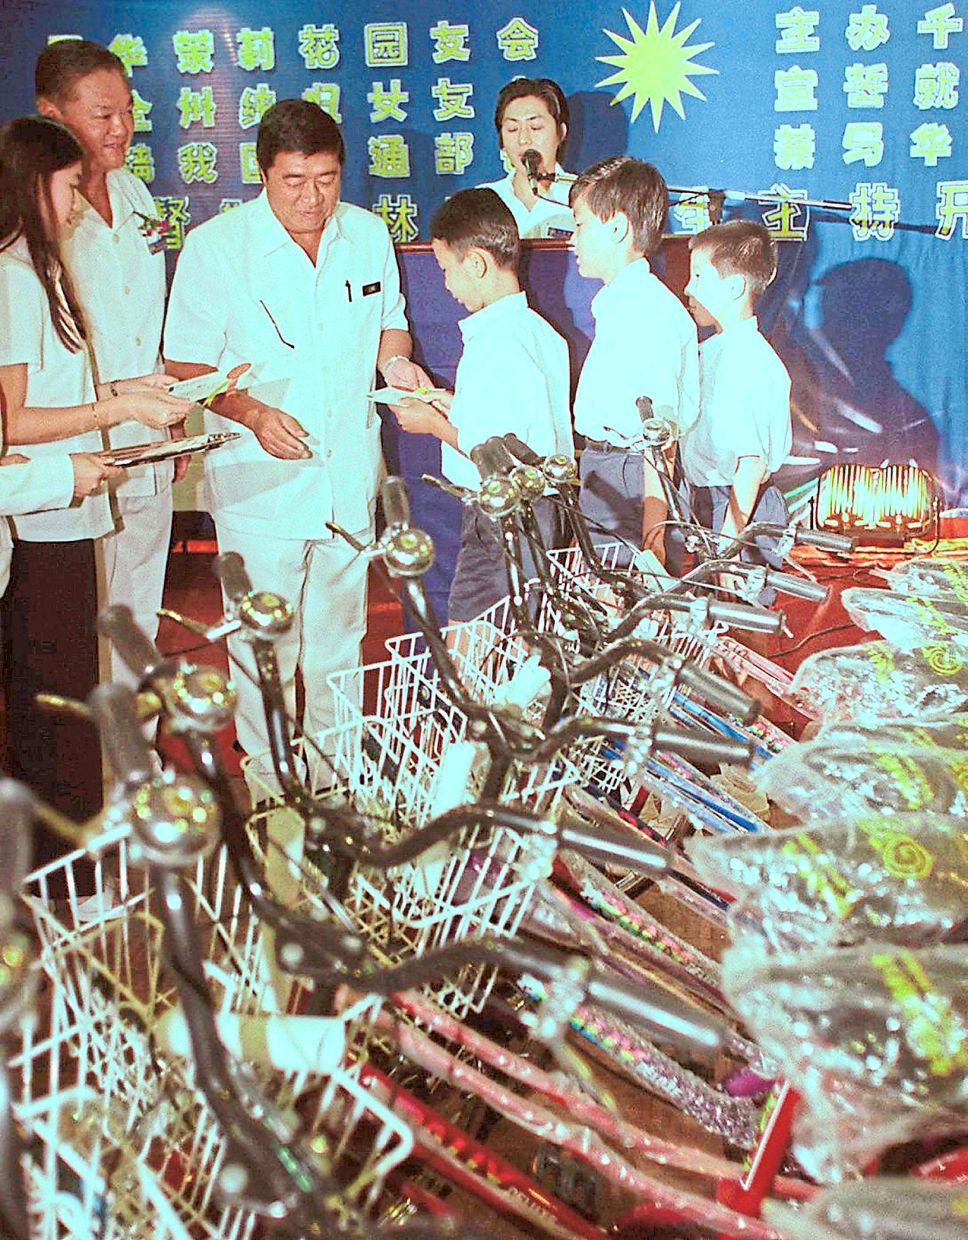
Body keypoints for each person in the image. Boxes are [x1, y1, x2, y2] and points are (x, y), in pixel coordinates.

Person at [163, 99, 429, 787]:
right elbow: (186, 365)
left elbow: (389, 325)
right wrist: (248, 411)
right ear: (262, 173)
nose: (314, 198)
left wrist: (397, 367)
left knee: (340, 641)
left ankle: (336, 779)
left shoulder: (367, 236)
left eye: (328, 178)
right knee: (265, 642)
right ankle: (271, 783)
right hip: (260, 485)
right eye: (294, 182)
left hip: (347, 475)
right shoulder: (217, 248)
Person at [0, 116, 190, 822]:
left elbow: (59, 394)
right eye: (69, 187)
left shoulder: (43, 273)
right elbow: (12, 422)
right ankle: (68, 877)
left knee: (74, 693)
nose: (79, 202)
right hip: (41, 511)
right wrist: (111, 416)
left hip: (69, 505)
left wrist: (130, 395)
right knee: (54, 706)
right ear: (31, 187)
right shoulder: (13, 279)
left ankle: (76, 856)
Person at [36, 39, 178, 691]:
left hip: (145, 439)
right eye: (101, 114)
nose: (120, 128)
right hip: (71, 447)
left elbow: (147, 320)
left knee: (137, 610)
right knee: (75, 621)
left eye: (126, 111)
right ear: (51, 114)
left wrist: (172, 422)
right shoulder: (35, 219)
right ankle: (86, 769)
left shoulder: (137, 192)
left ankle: (135, 764)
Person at [391, 188, 573, 622]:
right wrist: (452, 405)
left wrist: (431, 424)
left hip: (502, 518)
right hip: (544, 511)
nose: (446, 284)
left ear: (476, 263)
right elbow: (518, 425)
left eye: (446, 269)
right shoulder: (538, 331)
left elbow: (497, 452)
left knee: (470, 648)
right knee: (529, 638)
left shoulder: (494, 342)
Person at [569, 156, 698, 563]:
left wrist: (653, 536)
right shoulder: (623, 304)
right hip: (609, 474)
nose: (572, 239)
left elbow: (660, 437)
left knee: (626, 615)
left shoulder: (646, 312)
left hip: (629, 483)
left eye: (580, 225)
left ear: (618, 227)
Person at [678, 219, 792, 592]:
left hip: (740, 510)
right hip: (713, 505)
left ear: (735, 287)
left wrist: (728, 545)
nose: (687, 289)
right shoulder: (718, 349)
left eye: (698, 278)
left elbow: (751, 463)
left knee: (742, 623)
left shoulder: (748, 359)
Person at [478, 78, 575, 239]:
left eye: (536, 127)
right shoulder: (483, 201)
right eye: (512, 129)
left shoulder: (586, 196)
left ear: (561, 133)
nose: (524, 139)